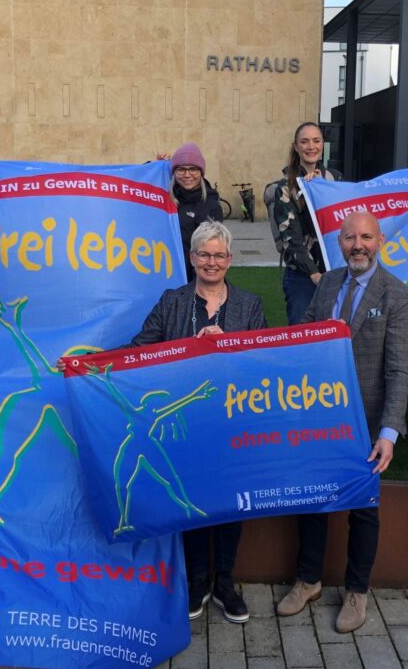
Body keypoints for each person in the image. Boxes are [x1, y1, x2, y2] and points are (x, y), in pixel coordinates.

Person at [276, 211, 408, 633]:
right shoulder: (330, 283)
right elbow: (302, 335)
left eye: (366, 237)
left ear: (380, 241)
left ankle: (357, 591)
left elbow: (398, 371)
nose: (358, 244)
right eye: (351, 237)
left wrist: (389, 432)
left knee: (363, 510)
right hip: (319, 416)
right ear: (339, 242)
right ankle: (309, 579)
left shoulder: (398, 295)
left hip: (367, 423)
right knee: (313, 500)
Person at [126, 221, 266, 624]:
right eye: (204, 254)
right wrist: (88, 365)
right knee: (189, 500)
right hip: (183, 423)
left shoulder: (249, 304)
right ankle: (197, 580)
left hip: (230, 422)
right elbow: (140, 350)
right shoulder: (172, 301)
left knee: (229, 502)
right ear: (191, 258)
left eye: (219, 255)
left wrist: (227, 346)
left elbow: (261, 361)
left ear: (230, 260)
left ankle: (225, 581)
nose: (211, 261)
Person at [273, 122, 342, 324]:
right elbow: (291, 239)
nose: (311, 147)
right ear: (296, 146)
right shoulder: (285, 187)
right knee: (302, 337)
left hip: (334, 271)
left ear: (323, 144)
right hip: (303, 276)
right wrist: (314, 274)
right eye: (304, 142)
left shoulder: (335, 179)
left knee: (333, 335)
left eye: (316, 141)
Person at [164, 143, 223, 282]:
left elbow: (210, 251)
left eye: (193, 169)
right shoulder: (166, 198)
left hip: (195, 278)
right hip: (166, 272)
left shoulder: (210, 205)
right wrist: (153, 166)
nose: (187, 175)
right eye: (181, 169)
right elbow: (138, 192)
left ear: (201, 172)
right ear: (174, 172)